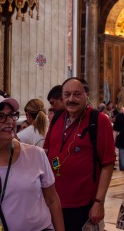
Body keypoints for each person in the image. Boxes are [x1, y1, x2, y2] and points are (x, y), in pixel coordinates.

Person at [44, 77, 116, 231]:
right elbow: (46, 152)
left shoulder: (99, 121)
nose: (71, 99)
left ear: (86, 95)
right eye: (67, 94)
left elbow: (108, 164)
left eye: (77, 94)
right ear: (62, 97)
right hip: (53, 201)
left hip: (83, 205)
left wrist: (99, 202)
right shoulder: (57, 118)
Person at [0, 96, 65, 230]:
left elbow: (52, 200)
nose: (9, 121)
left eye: (11, 115)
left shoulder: (35, 154)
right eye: (1, 117)